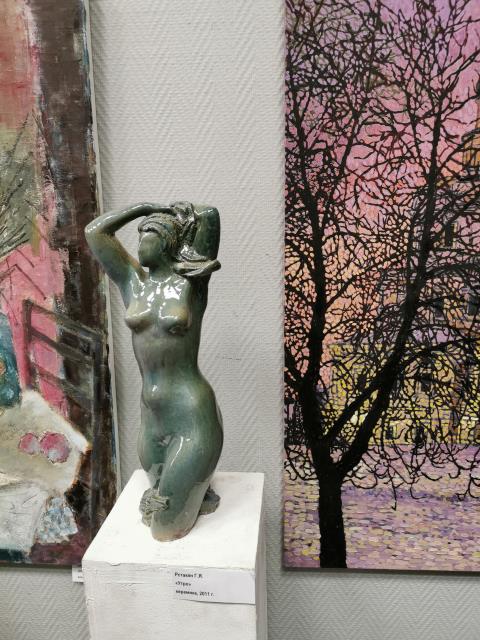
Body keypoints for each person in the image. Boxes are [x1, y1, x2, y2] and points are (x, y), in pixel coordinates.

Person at [85, 201, 223, 541]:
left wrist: (179, 214)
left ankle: (193, 493)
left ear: (166, 244)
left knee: (164, 528)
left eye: (148, 237)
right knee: (153, 515)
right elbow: (95, 233)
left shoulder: (190, 284)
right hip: (151, 421)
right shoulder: (133, 283)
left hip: (191, 416)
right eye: (140, 237)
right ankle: (197, 495)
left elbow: (209, 217)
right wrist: (142, 208)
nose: (140, 244)